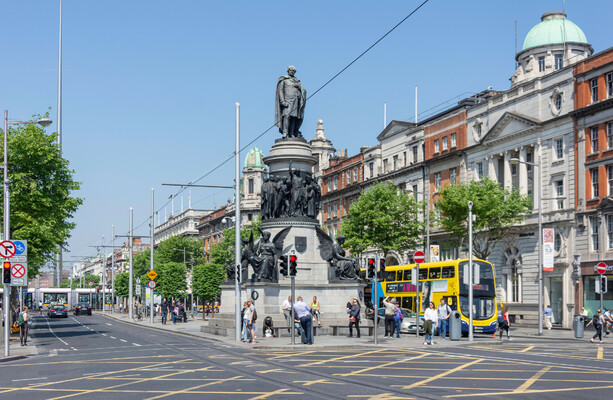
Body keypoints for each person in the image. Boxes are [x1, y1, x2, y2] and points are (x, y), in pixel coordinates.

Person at [275, 65, 306, 138]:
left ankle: (291, 132)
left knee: (294, 117)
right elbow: (280, 91)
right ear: (288, 70)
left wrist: (299, 88)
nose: (292, 72)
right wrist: (282, 101)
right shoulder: (284, 80)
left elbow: (303, 90)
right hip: (287, 101)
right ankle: (285, 132)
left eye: (293, 71)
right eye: (291, 70)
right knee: (287, 116)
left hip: (295, 101)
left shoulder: (297, 81)